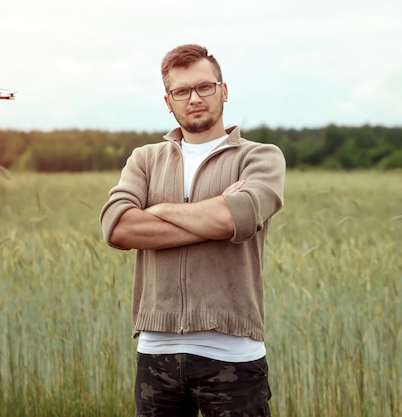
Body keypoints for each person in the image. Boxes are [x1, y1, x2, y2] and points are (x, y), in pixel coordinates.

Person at [99, 44, 286, 417]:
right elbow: (117, 227)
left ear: (224, 90)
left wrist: (160, 210)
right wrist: (214, 215)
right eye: (181, 91)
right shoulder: (146, 159)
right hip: (156, 355)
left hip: (233, 357)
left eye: (205, 87)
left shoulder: (259, 156)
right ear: (168, 101)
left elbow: (235, 220)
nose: (194, 98)